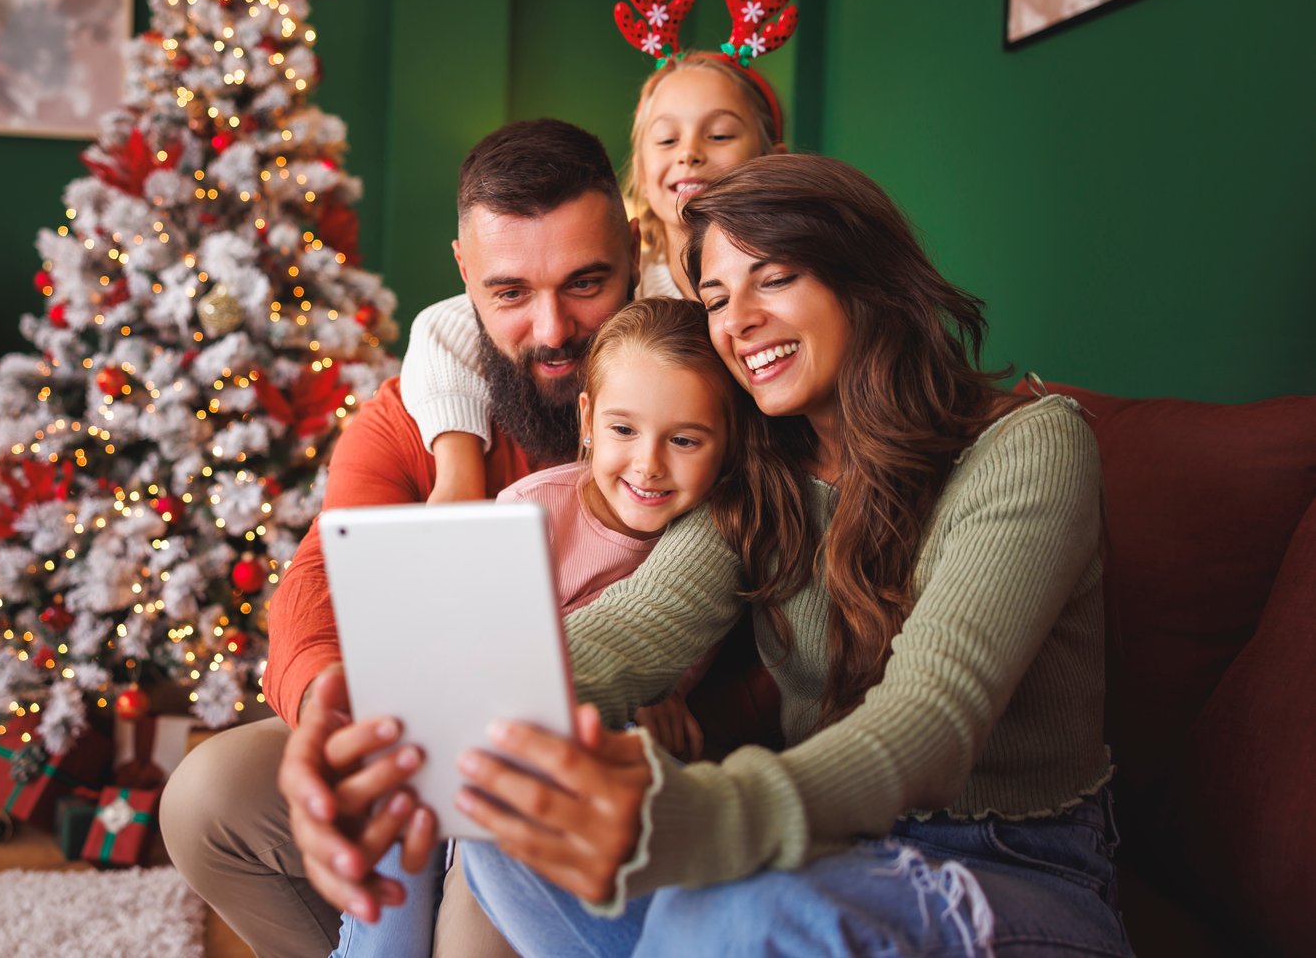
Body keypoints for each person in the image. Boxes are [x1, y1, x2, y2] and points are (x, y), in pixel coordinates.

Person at [444, 153, 1131, 956]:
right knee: (504, 829)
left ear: (862, 276)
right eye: (715, 298)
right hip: (827, 851)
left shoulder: (1030, 446)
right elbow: (632, 628)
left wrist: (699, 817)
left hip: (1008, 862)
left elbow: (933, 720)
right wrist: (430, 708)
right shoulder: (759, 467)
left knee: (729, 915)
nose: (736, 321)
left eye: (771, 279)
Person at [161, 117, 641, 958]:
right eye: (509, 294)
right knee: (206, 795)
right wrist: (325, 705)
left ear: (633, 251)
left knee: (472, 921)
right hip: (421, 742)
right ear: (464, 273)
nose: (553, 329)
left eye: (586, 283)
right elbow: (316, 582)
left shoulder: (688, 411)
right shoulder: (413, 414)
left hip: (600, 768)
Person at [333, 296, 750, 957]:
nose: (647, 465)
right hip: (477, 731)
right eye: (623, 431)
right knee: (398, 806)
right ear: (586, 419)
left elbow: (657, 654)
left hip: (576, 767)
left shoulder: (708, 544)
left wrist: (657, 700)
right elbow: (467, 649)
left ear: (727, 446)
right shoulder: (529, 513)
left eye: (684, 440)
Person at [408, 50, 788, 505]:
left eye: (721, 134)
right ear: (642, 175)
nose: (690, 153)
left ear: (773, 159)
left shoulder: (791, 282)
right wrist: (457, 467)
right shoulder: (640, 287)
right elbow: (443, 327)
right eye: (666, 141)